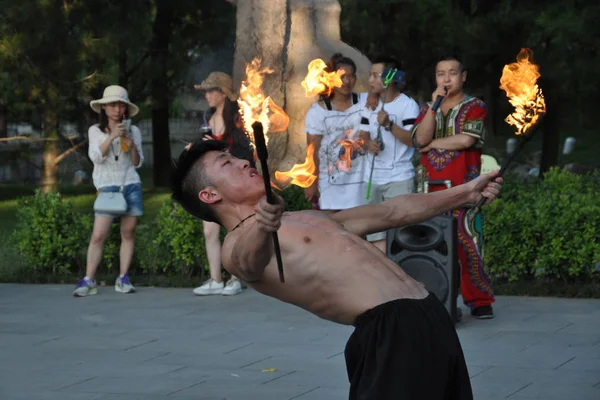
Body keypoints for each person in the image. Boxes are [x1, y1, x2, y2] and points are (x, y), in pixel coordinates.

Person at [170, 140, 503, 399]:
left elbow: (392, 212)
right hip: (388, 333)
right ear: (209, 194)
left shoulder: (305, 218)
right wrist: (263, 223)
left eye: (236, 157)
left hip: (429, 316)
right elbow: (248, 260)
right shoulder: (237, 244)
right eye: (227, 162)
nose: (244, 161)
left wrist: (464, 193)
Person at [411, 55, 495, 319]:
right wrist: (434, 109)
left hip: (465, 188)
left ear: (463, 77)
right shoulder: (427, 109)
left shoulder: (474, 106)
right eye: (440, 74)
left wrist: (433, 144)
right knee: (432, 247)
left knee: (468, 242)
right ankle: (439, 300)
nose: (446, 79)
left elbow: (467, 140)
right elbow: (420, 139)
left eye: (452, 73)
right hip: (430, 191)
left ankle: (479, 300)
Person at [73, 85, 144, 297]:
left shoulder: (134, 130)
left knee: (128, 233)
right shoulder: (95, 131)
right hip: (107, 187)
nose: (116, 109)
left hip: (131, 184)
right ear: (104, 108)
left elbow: (138, 163)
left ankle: (123, 278)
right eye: (112, 105)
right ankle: (89, 279)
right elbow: (96, 157)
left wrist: (131, 146)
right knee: (98, 235)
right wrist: (112, 136)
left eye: (120, 105)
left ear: (125, 109)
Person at [191, 71, 254, 296]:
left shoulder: (238, 118)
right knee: (209, 230)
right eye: (206, 91)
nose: (207, 95)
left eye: (211, 90)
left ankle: (235, 278)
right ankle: (215, 278)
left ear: (223, 93)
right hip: (212, 181)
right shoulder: (207, 119)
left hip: (230, 179)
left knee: (232, 228)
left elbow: (245, 149)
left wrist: (220, 149)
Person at [360, 56, 420, 253]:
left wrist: (389, 125)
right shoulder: (368, 104)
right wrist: (368, 144)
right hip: (372, 179)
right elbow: (363, 134)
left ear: (390, 78)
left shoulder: (408, 105)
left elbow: (414, 140)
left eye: (375, 76)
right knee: (375, 235)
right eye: (370, 75)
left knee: (401, 235)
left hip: (399, 179)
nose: (370, 81)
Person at [303, 53, 368, 212]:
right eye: (342, 76)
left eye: (351, 76)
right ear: (330, 78)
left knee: (361, 227)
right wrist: (311, 183)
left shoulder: (365, 102)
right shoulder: (318, 112)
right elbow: (312, 151)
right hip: (330, 184)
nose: (347, 81)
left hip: (360, 183)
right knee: (332, 230)